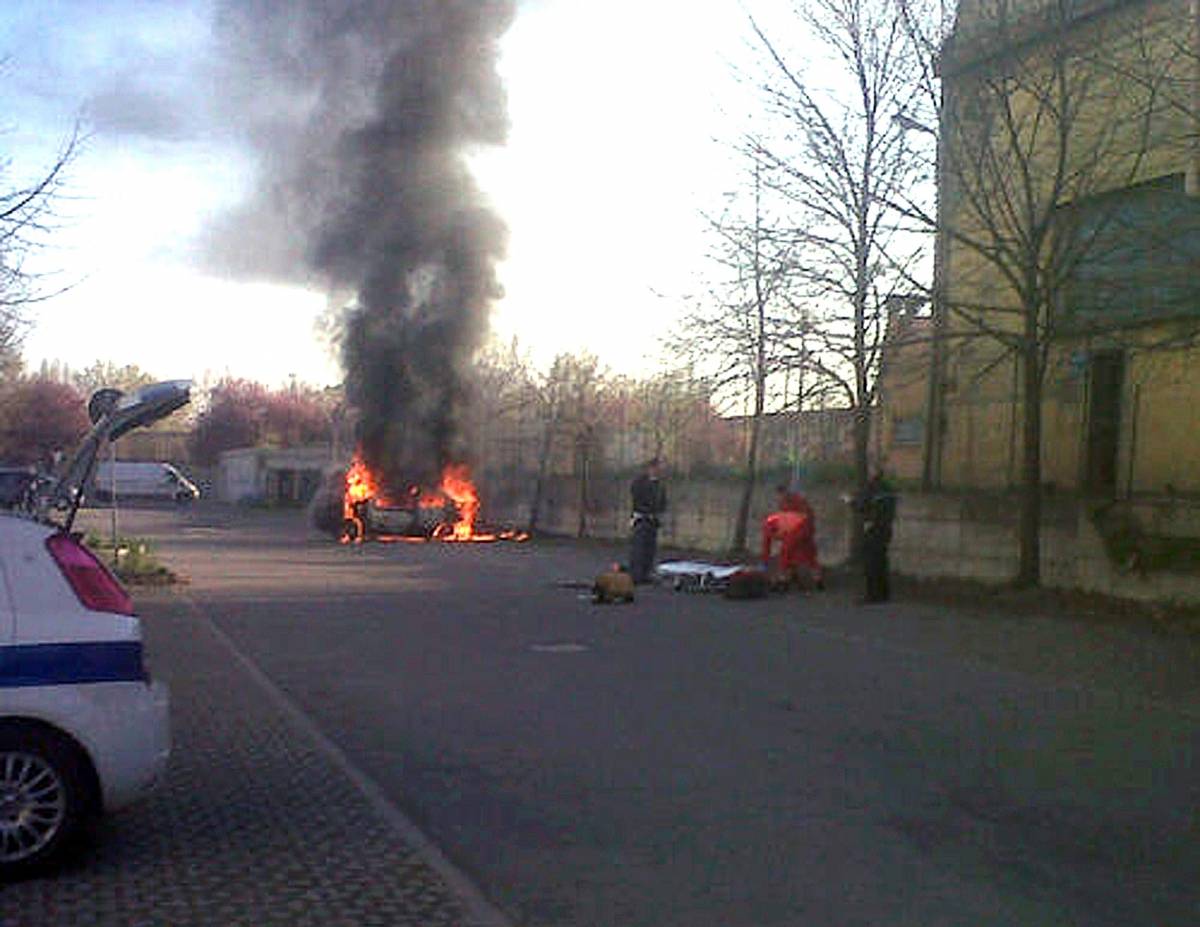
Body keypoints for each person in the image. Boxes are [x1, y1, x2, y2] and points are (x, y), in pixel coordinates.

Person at [761, 486, 823, 590]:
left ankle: (783, 580)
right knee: (808, 556)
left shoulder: (771, 522)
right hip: (806, 531)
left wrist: (765, 561)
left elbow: (768, 542)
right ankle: (817, 580)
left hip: (798, 531)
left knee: (786, 554)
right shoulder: (795, 502)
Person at [858, 472, 897, 603]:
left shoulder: (871, 489)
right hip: (885, 529)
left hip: (872, 529)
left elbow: (862, 506)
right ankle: (884, 593)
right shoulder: (889, 490)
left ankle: (872, 594)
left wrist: (850, 501)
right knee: (882, 561)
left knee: (870, 563)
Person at [629, 457, 667, 583]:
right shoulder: (639, 482)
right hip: (642, 519)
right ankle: (636, 575)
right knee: (639, 548)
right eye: (658, 467)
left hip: (653, 520)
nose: (660, 470)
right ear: (651, 468)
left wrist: (658, 511)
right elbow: (637, 498)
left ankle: (646, 573)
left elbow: (663, 501)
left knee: (650, 549)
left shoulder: (660, 484)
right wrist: (647, 511)